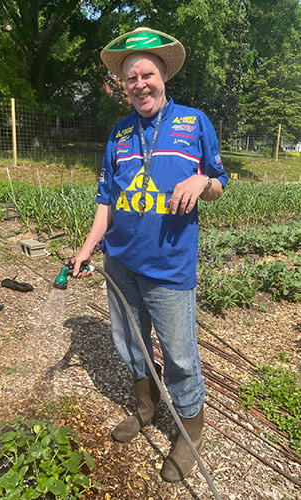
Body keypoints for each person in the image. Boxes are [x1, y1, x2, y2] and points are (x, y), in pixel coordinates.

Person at [73, 27, 228, 483]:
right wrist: (86, 249)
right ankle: (145, 406)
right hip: (120, 263)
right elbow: (106, 200)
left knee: (180, 354)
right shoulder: (119, 134)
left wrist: (203, 182)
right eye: (130, 78)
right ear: (123, 86)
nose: (139, 83)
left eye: (147, 74)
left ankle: (190, 433)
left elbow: (218, 181)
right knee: (130, 344)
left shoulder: (195, 122)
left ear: (164, 76)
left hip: (169, 265)